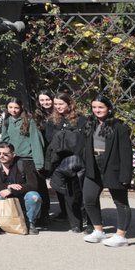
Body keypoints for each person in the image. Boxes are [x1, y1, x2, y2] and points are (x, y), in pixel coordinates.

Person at [79, 95, 133, 247]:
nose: (97, 110)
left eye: (101, 107)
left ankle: (121, 236)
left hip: (112, 166)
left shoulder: (119, 127)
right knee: (89, 199)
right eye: (94, 107)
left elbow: (126, 153)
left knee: (120, 202)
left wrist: (125, 175)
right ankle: (98, 230)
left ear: (108, 108)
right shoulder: (90, 124)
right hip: (93, 165)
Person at [45, 93, 89, 232]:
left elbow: (83, 138)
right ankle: (75, 223)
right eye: (56, 104)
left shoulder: (81, 119)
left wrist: (65, 137)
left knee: (81, 191)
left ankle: (87, 217)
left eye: (61, 104)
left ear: (69, 104)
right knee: (68, 192)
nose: (58, 107)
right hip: (60, 160)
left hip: (77, 159)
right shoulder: (52, 120)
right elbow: (49, 138)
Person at [0, 141, 43, 234]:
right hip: (2, 197)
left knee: (34, 197)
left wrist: (11, 190)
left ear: (13, 154)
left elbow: (33, 184)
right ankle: (3, 223)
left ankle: (30, 222)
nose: (1, 156)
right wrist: (8, 186)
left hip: (20, 197)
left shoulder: (23, 164)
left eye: (5, 154)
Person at [0, 97, 45, 179]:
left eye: (16, 108)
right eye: (10, 107)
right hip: (13, 160)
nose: (13, 110)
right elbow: (4, 141)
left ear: (21, 108)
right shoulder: (6, 121)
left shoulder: (29, 121)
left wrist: (39, 163)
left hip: (28, 159)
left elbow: (36, 142)